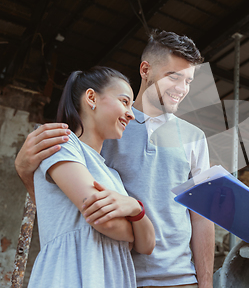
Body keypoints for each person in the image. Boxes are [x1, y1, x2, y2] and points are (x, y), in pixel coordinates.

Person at [16, 30, 215, 288]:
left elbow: (202, 216)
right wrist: (23, 170)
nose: (182, 88)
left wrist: (206, 284)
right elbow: (64, 203)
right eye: (173, 77)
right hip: (115, 275)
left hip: (179, 279)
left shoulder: (195, 137)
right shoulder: (107, 126)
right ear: (145, 70)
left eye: (188, 81)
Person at [29, 66, 156, 288]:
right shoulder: (63, 144)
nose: (131, 114)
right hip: (68, 277)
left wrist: (135, 208)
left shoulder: (113, 175)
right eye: (125, 101)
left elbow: (148, 245)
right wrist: (136, 227)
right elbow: (101, 219)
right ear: (91, 97)